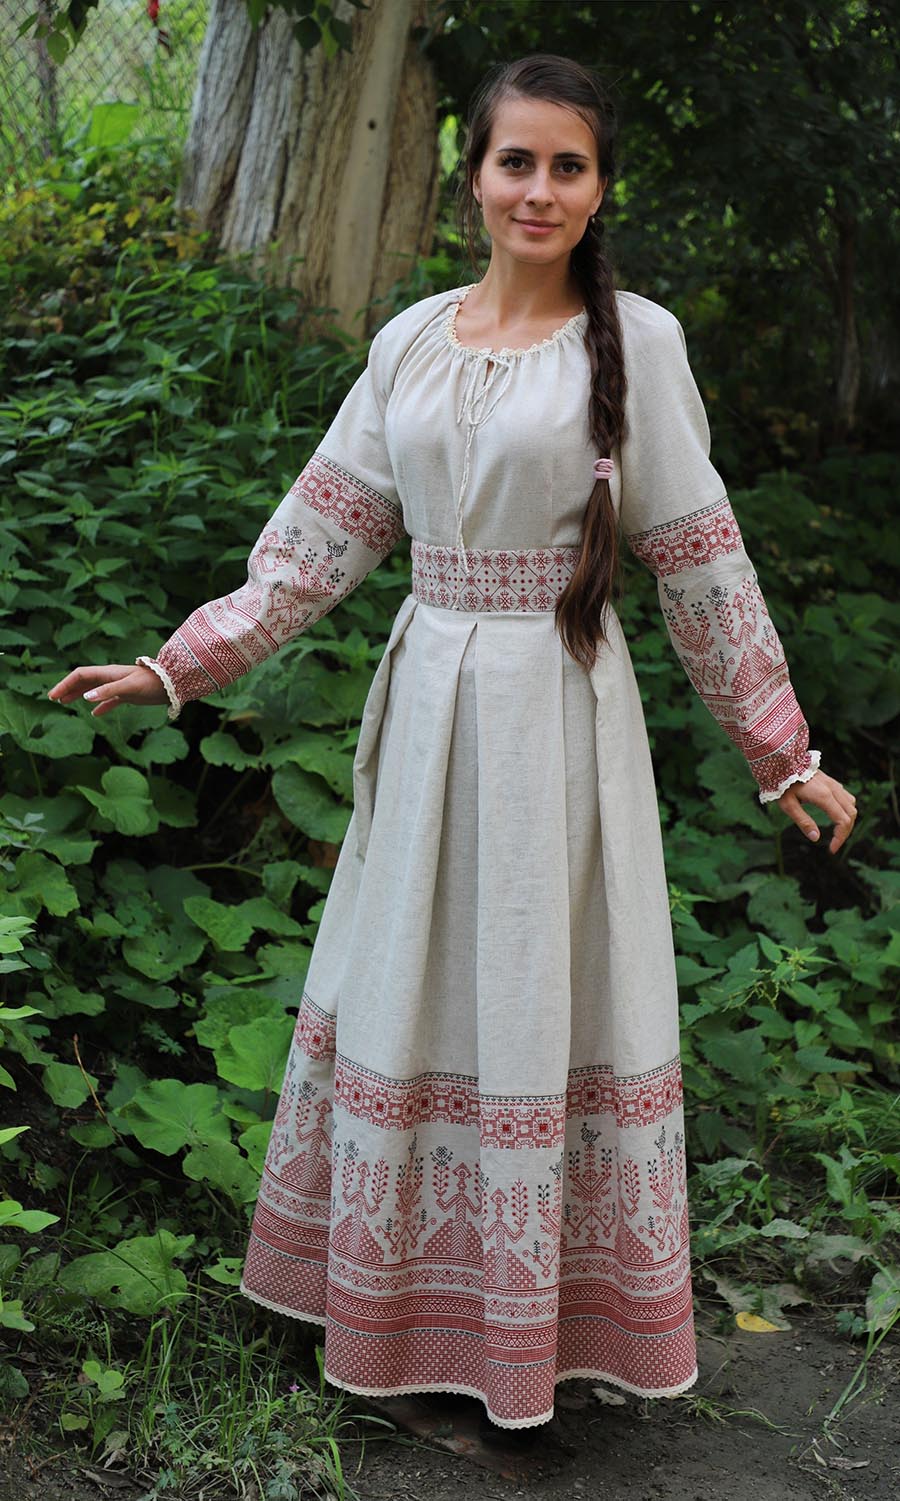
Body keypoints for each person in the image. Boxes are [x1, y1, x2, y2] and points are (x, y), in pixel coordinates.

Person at [48, 54, 857, 1433]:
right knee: (418, 984)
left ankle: (532, 1342)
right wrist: (178, 664)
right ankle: (408, 1315)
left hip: (560, 715)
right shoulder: (411, 340)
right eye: (515, 162)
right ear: (470, 176)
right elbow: (318, 543)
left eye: (568, 166)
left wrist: (781, 750)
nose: (539, 189)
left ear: (602, 190)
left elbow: (701, 566)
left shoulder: (639, 346)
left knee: (540, 994)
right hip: (425, 714)